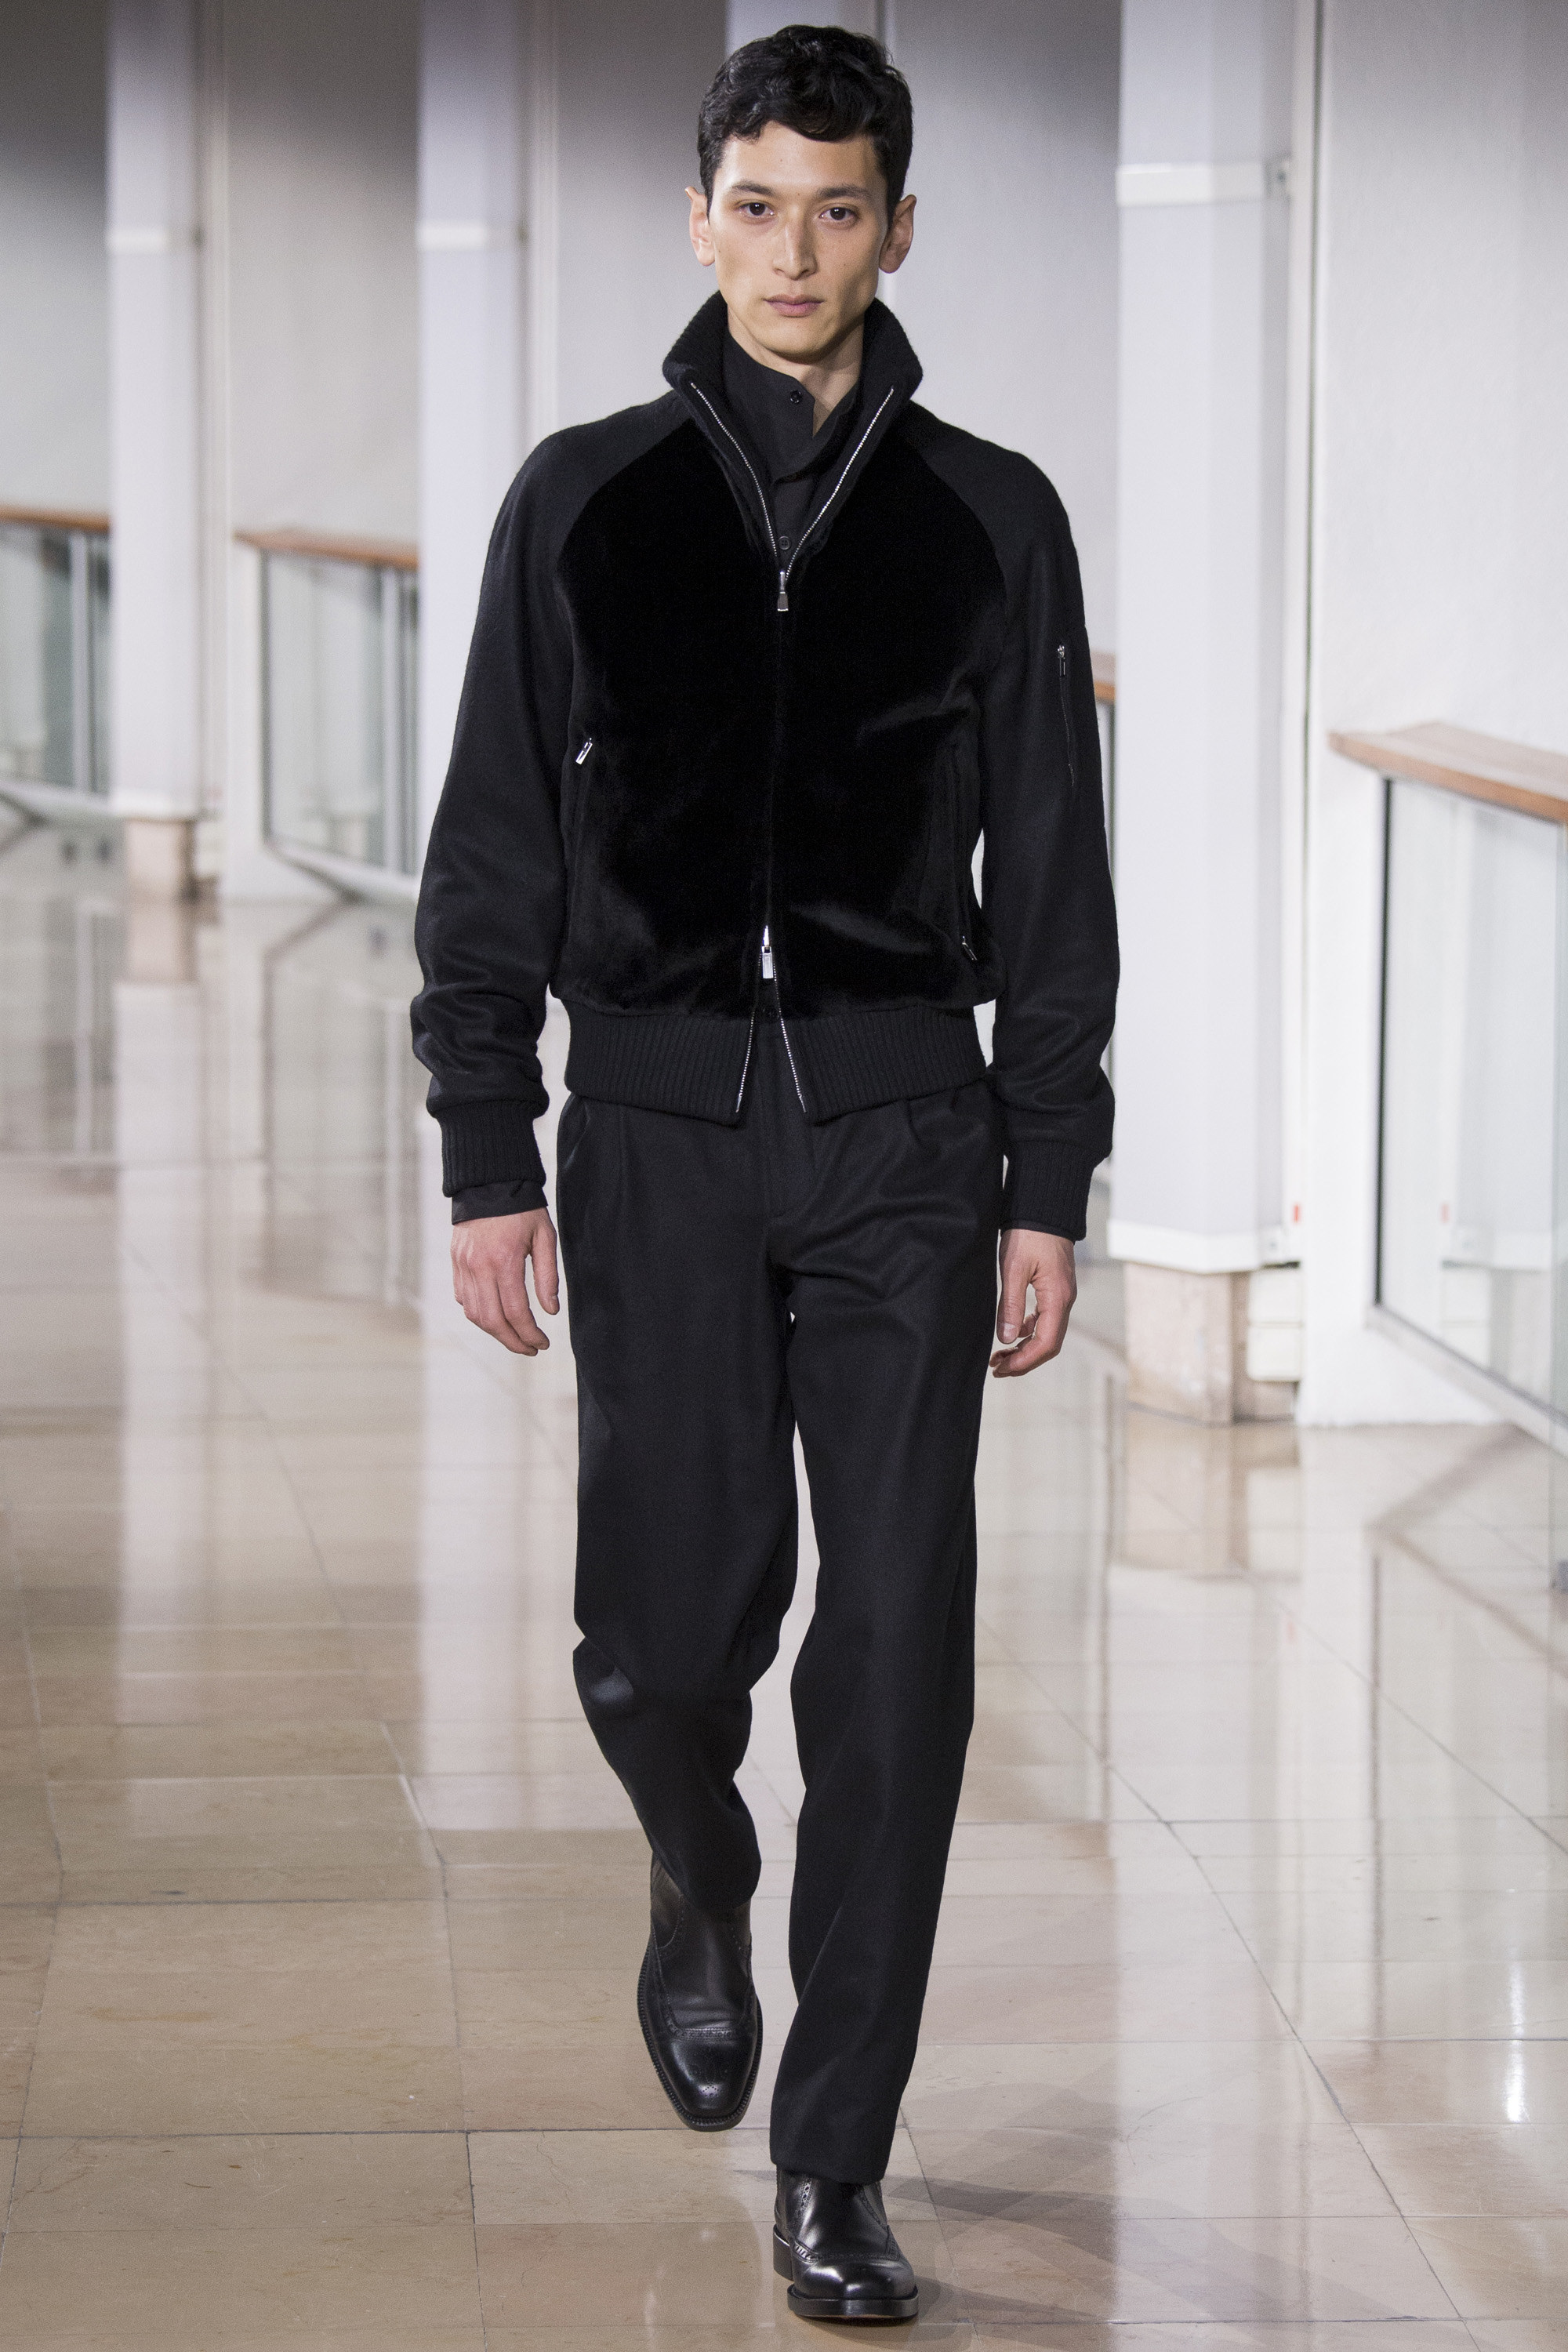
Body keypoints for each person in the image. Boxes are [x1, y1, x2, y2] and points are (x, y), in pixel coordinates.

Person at [412, 23, 1116, 2324]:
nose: (794, 250)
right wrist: (487, 1145)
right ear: (698, 216)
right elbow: (494, 841)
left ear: (898, 229)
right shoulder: (584, 499)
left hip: (909, 1137)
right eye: (757, 205)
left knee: (898, 1655)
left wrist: (1047, 1170)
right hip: (656, 1134)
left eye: (839, 209)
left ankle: (837, 2162)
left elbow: (1061, 871)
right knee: (658, 1643)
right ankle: (694, 1874)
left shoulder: (994, 516)